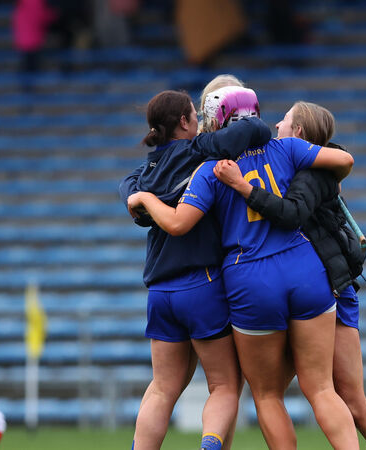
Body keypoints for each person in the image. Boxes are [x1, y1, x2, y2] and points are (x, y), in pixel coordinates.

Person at [127, 86, 359, 449]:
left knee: (267, 395)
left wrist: (142, 197)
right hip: (303, 267)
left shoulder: (208, 170)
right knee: (323, 389)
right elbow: (344, 162)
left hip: (249, 277)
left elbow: (177, 223)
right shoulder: (286, 147)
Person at [214, 100, 366, 450]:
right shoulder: (295, 161)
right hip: (306, 286)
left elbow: (292, 213)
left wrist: (241, 185)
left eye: (284, 121)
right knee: (279, 392)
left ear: (298, 133)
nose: (277, 126)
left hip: (329, 288)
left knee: (349, 400)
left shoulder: (311, 171)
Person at [118, 89, 272, 450]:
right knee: (224, 384)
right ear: (185, 123)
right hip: (199, 283)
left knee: (161, 387)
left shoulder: (146, 174)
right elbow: (256, 131)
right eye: (195, 117)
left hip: (159, 291)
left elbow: (127, 187)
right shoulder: (199, 150)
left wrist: (139, 197)